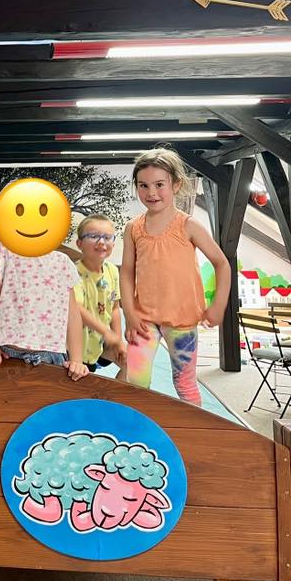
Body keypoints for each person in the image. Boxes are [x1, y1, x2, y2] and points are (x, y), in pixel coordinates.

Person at [120, 147, 231, 406]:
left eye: (159, 184)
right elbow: (126, 272)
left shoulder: (187, 225)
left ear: (176, 184)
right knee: (136, 381)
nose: (151, 192)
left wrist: (218, 306)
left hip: (182, 321)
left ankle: (195, 426)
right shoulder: (133, 228)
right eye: (143, 185)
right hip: (144, 319)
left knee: (184, 382)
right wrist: (129, 312)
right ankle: (142, 426)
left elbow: (221, 263)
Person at [0, 233, 88, 381]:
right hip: (6, 353)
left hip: (51, 356)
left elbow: (73, 313)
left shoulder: (63, 262)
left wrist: (76, 360)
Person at [74, 215, 127, 378]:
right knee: (80, 383)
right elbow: (77, 310)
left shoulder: (112, 271)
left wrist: (118, 340)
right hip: (78, 346)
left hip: (101, 343)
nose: (101, 242)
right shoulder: (74, 273)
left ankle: (116, 395)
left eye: (107, 237)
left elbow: (115, 308)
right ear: (79, 243)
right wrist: (106, 332)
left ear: (113, 243)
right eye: (93, 236)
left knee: (132, 364)